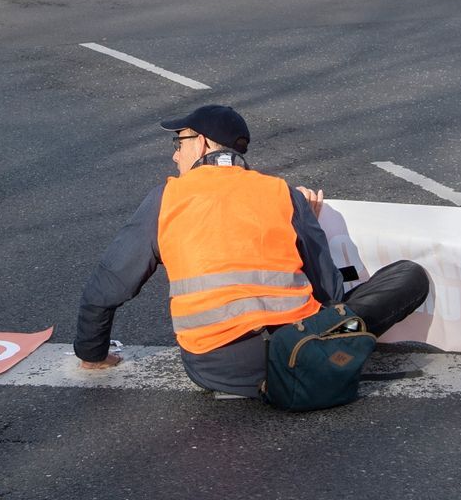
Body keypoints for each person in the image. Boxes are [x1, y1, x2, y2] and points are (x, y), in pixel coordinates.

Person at [73, 104, 430, 401]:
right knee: (409, 276)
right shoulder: (282, 193)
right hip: (302, 347)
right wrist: (310, 224)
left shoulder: (167, 198)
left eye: (178, 141)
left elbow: (107, 286)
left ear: (202, 145)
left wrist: (93, 355)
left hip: (216, 368)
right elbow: (330, 294)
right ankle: (342, 350)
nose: (174, 153)